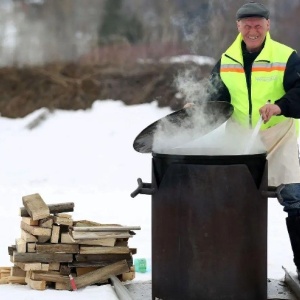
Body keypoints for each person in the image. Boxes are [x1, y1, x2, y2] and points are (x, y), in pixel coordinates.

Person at [207, 1, 300, 277]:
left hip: (277, 136)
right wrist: (198, 106)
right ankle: (230, 265)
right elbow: (215, 95)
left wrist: (280, 106)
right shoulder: (226, 60)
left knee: (294, 199)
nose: (252, 30)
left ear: (268, 25)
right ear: (238, 26)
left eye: (258, 24)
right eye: (246, 25)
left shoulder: (287, 56)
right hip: (239, 140)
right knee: (231, 201)